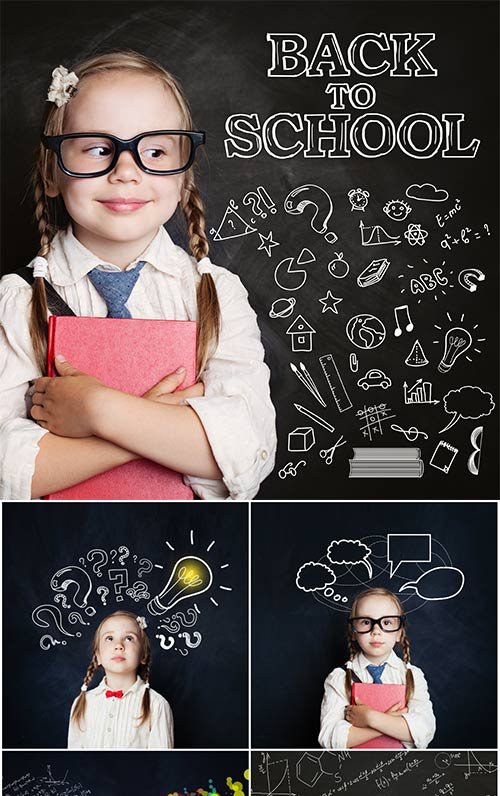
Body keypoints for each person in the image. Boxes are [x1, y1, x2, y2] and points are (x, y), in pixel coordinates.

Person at [0, 51, 276, 500]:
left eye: (155, 150)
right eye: (97, 148)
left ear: (184, 176)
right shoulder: (15, 303)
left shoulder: (216, 295)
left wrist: (97, 409)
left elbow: (245, 453)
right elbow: (10, 474)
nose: (126, 171)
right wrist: (162, 422)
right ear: (52, 171)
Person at [318, 589, 435, 750]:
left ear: (399, 633)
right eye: (366, 622)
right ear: (353, 631)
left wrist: (370, 718)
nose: (376, 631)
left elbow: (423, 732)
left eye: (387, 623)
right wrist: (390, 722)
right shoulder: (339, 678)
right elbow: (331, 739)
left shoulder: (412, 676)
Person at [67, 612, 174, 750]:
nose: (118, 645)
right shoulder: (82, 703)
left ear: (143, 655)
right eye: (109, 638)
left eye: (129, 638)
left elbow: (160, 761)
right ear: (97, 656)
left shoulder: (157, 705)